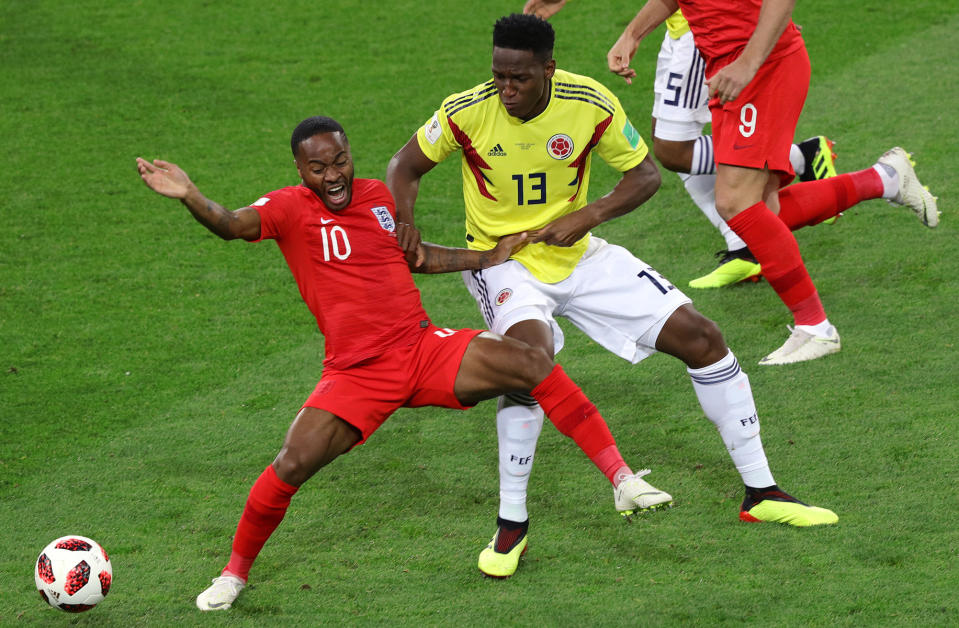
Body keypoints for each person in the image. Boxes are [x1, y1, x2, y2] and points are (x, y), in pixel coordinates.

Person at [136, 116, 672, 610]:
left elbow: (417, 257)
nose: (333, 176)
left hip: (420, 349)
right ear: (300, 170)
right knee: (292, 464)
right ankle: (233, 574)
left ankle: (621, 479)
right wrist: (190, 196)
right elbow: (232, 225)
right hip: (354, 373)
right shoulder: (287, 208)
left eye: (339, 161)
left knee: (530, 361)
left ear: (350, 155)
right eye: (318, 167)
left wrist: (488, 257)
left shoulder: (376, 198)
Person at [387, 14, 837, 580]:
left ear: (548, 69)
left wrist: (590, 214)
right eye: (499, 75)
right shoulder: (466, 111)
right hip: (503, 264)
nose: (506, 89)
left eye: (520, 78)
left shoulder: (589, 102)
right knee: (528, 361)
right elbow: (404, 165)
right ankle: (512, 524)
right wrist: (402, 220)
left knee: (703, 338)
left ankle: (762, 492)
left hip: (581, 253)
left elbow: (646, 174)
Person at [608, 0, 939, 364]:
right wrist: (632, 33)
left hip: (761, 67)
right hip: (727, 66)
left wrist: (749, 63)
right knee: (765, 214)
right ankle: (884, 179)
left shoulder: (752, 62)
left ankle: (815, 328)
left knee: (735, 202)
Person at [526, 0, 840, 289]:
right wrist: (633, 33)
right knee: (672, 144)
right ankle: (751, 236)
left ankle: (788, 177)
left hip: (709, 31)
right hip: (684, 26)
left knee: (674, 148)